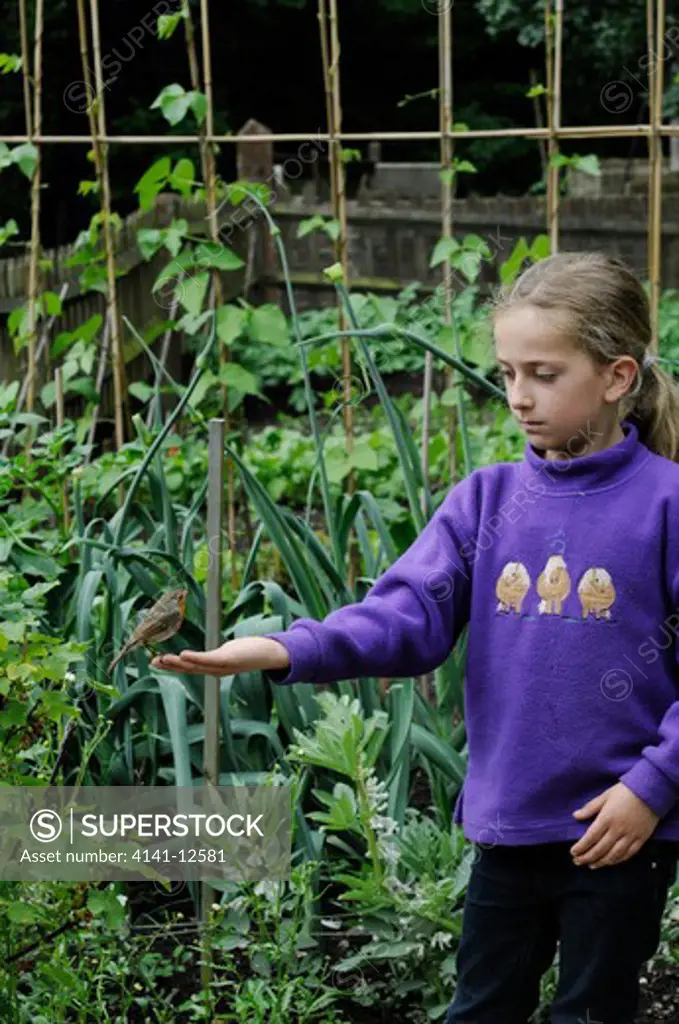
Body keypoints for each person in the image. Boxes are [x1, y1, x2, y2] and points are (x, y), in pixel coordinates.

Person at [152, 251, 679, 1023]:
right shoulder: (485, 499)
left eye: (543, 373)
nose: (517, 397)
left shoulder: (665, 504)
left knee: (590, 1013)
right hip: (507, 821)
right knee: (479, 1008)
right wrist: (284, 647)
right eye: (505, 373)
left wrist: (651, 788)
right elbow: (405, 617)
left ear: (616, 377)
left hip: (621, 831)